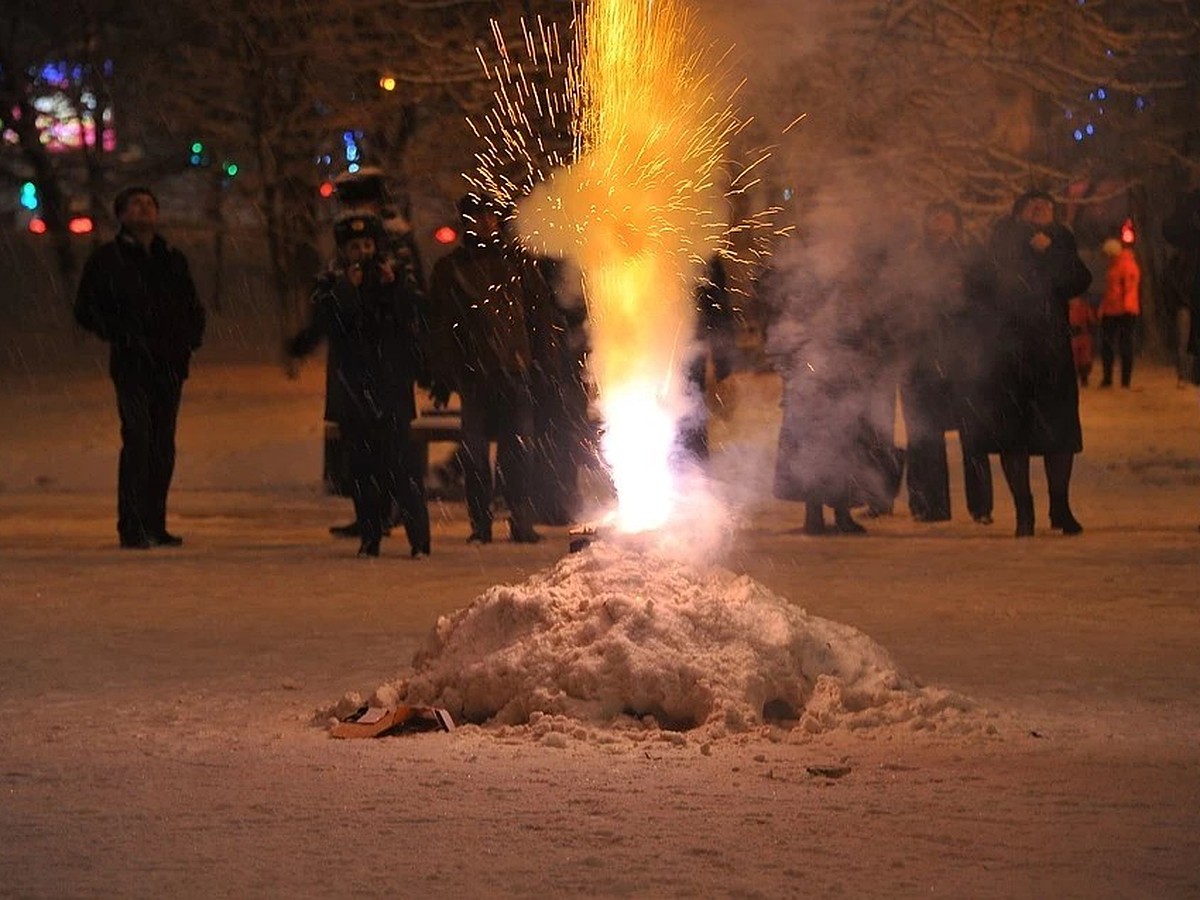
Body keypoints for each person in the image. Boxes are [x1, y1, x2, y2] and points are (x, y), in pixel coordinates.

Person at [287, 212, 430, 558]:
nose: (363, 253)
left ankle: (419, 540)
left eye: (368, 245)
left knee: (402, 468)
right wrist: (347, 290)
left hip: (391, 389)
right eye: (355, 247)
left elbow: (415, 318)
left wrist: (392, 285)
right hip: (353, 391)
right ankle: (370, 535)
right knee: (362, 470)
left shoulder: (397, 279)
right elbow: (325, 322)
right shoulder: (331, 284)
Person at [74, 186, 206, 549]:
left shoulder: (171, 259)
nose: (144, 210)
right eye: (136, 204)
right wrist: (120, 333)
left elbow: (192, 305)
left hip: (169, 362)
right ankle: (131, 524)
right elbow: (86, 309)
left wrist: (189, 338)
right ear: (122, 214)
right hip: (133, 363)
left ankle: (155, 521)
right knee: (138, 439)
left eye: (150, 204)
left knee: (163, 443)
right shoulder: (107, 260)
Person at [427, 193, 560, 544]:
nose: (485, 223)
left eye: (490, 216)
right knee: (475, 456)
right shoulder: (451, 270)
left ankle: (520, 520)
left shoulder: (518, 264)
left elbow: (540, 319)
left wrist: (542, 363)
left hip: (515, 373)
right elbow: (441, 327)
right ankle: (480, 525)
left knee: (518, 453)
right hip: (476, 377)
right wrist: (442, 374)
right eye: (478, 217)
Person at [968, 190, 1092, 537]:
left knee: (1060, 435)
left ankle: (1060, 506)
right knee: (1013, 436)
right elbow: (980, 284)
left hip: (1051, 353)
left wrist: (1049, 251)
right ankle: (1025, 510)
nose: (1042, 211)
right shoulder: (1001, 243)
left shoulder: (1060, 241)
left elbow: (1079, 280)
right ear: (1019, 212)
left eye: (1048, 207)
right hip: (1009, 354)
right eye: (1034, 207)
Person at [323, 168, 429, 539]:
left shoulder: (392, 239)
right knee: (359, 442)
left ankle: (386, 510)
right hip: (355, 358)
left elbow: (411, 298)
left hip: (385, 357)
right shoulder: (350, 236)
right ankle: (369, 511)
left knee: (387, 441)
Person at [677, 255, 737, 464]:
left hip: (691, 355)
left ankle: (693, 481)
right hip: (643, 359)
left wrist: (724, 367)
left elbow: (719, 311)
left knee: (690, 416)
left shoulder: (700, 252)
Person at [1098, 237, 1141, 389]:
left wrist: (1126, 307)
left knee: (1123, 346)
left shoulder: (1126, 266)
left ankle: (1123, 381)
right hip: (1113, 310)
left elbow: (1129, 289)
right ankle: (1110, 379)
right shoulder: (1115, 266)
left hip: (1123, 311)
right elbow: (1110, 291)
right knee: (1113, 346)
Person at [1068, 293, 1098, 387]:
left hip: (1083, 335)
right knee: (1073, 358)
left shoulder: (1084, 307)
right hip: (1072, 336)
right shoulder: (1067, 307)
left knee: (1084, 359)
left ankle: (1084, 378)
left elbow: (1092, 320)